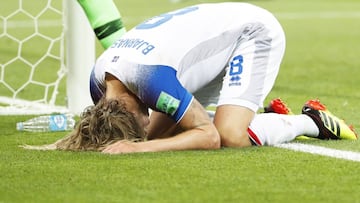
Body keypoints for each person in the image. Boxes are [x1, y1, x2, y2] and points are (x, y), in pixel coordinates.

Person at [24, 2, 357, 153]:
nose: (144, 124)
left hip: (251, 33)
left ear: (129, 106)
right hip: (202, 49)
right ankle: (262, 115)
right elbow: (116, 127)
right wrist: (62, 144)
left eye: (139, 121)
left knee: (229, 135)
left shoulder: (152, 82)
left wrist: (139, 149)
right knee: (163, 131)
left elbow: (208, 136)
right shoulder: (100, 81)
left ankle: (311, 121)